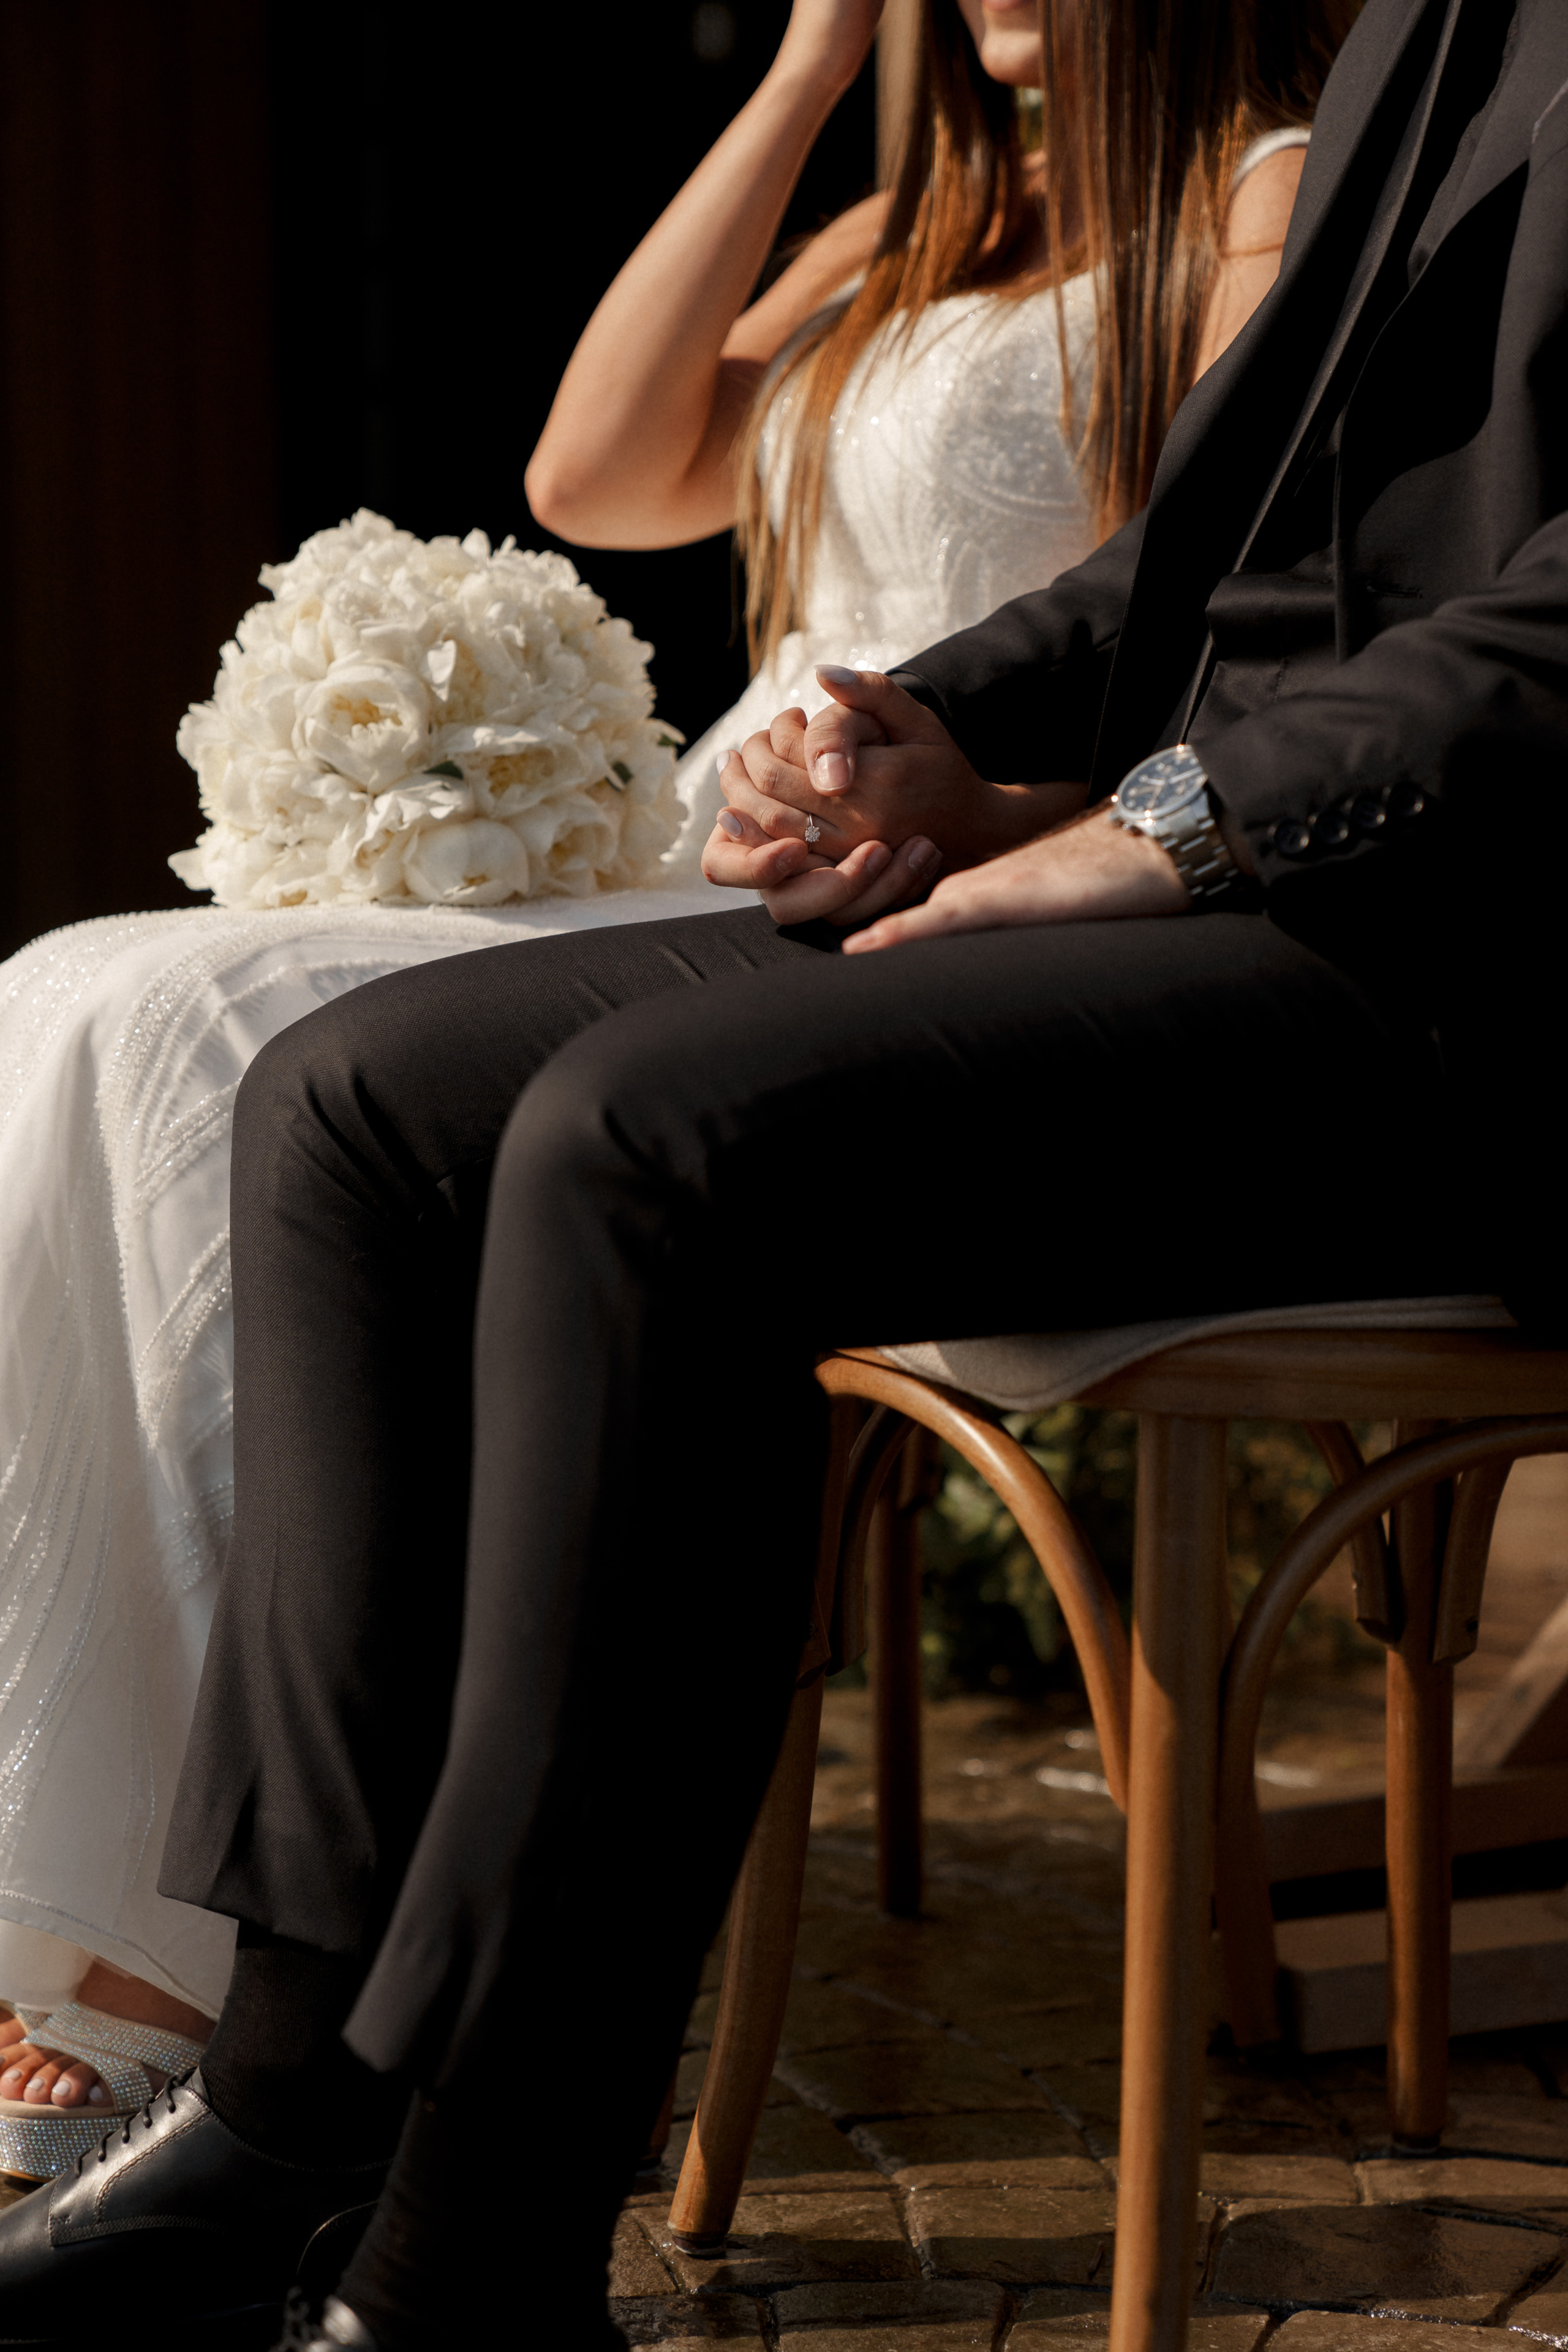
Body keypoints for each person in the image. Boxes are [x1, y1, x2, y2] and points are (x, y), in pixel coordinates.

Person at [0, 0, 1556, 2341]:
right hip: (1262, 879)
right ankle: (296, 2093)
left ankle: (476, 2252)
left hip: (1477, 968)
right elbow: (1219, 549)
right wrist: (927, 720)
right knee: (347, 1094)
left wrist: (1158, 825)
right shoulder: (1426, 30)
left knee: (652, 1149)